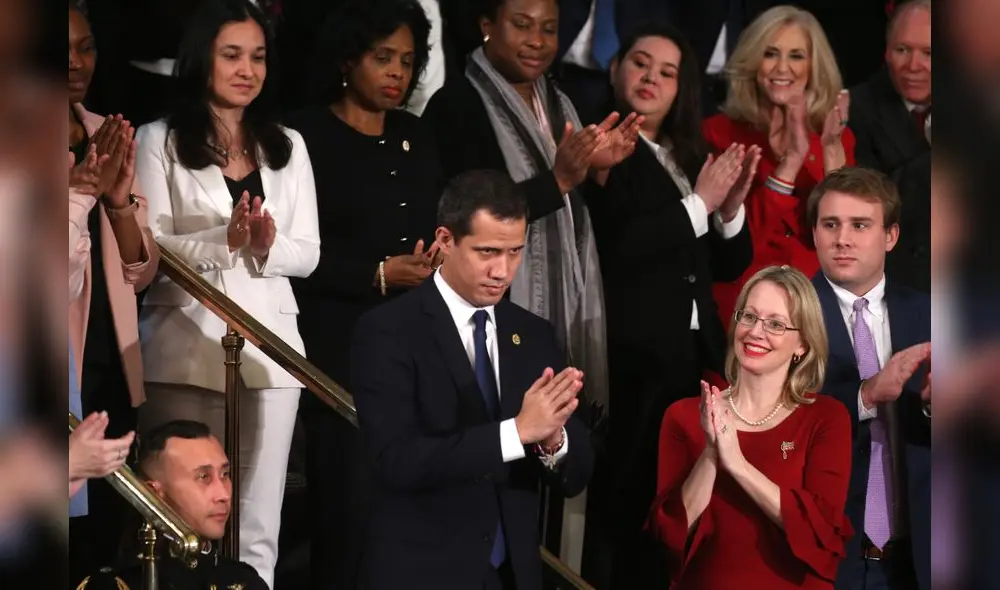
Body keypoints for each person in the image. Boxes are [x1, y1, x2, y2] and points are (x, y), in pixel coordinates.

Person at [134, 1, 320, 585]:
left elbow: (308, 251)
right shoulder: (158, 139)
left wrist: (264, 244)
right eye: (232, 55)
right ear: (201, 60)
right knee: (182, 517)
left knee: (259, 518)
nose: (247, 70)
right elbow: (150, 246)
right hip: (184, 344)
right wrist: (226, 239)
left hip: (272, 351)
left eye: (258, 57)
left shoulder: (288, 144)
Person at [350, 170, 595, 589]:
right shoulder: (389, 330)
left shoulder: (534, 334)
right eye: (487, 252)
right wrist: (516, 432)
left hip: (511, 575)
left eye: (515, 252)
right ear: (445, 240)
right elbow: (396, 461)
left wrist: (553, 441)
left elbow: (577, 473)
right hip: (422, 574)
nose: (503, 271)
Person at [580, 22, 758, 589]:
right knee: (624, 497)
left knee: (673, 498)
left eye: (667, 72)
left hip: (690, 353)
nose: (651, 78)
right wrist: (700, 203)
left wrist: (728, 209)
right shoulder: (601, 147)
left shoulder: (687, 154)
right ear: (615, 69)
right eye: (640, 63)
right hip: (633, 353)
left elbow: (728, 264)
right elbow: (623, 245)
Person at [423, 0, 643, 426]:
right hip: (491, 301)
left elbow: (585, 221)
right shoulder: (454, 106)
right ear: (487, 25)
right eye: (522, 25)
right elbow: (470, 215)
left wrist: (597, 171)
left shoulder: (562, 102)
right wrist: (557, 180)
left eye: (548, 28)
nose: (537, 41)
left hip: (571, 302)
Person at [284, 1, 440, 587]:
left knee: (403, 513)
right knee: (346, 508)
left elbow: (434, 218)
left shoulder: (415, 134)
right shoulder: (302, 135)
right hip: (335, 346)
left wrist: (439, 252)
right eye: (383, 57)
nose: (397, 72)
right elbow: (291, 252)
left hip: (411, 341)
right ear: (348, 60)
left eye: (407, 61)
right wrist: (375, 274)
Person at [649, 264, 853, 588]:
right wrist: (712, 453)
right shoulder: (685, 416)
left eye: (776, 324)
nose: (756, 332)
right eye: (749, 316)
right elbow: (670, 538)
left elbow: (821, 534)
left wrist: (739, 465)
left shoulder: (826, 418)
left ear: (802, 344)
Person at [68, 3, 159, 582]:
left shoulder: (109, 130)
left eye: (87, 47)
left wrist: (119, 200)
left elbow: (140, 272)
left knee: (104, 540)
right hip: (51, 368)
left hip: (113, 364)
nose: (77, 62)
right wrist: (75, 190)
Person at [807, 167, 930, 590]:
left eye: (859, 225)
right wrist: (866, 394)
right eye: (830, 225)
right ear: (814, 234)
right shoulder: (782, 314)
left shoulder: (932, 315)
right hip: (828, 556)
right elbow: (773, 416)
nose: (842, 239)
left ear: (890, 236)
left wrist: (936, 405)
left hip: (920, 558)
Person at [703, 5, 856, 331]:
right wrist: (791, 163)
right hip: (744, 304)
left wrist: (831, 150)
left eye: (796, 56)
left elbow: (842, 236)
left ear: (814, 66)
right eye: (770, 53)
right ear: (753, 60)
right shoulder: (719, 133)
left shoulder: (836, 138)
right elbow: (735, 244)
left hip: (815, 303)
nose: (782, 67)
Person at [75, 420, 268, 589]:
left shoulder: (245, 581)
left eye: (224, 475)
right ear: (152, 493)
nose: (223, 495)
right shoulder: (117, 584)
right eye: (203, 477)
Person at [848, 0, 931, 293]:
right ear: (886, 53)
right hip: (897, 284)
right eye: (902, 50)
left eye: (929, 53)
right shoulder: (855, 108)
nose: (913, 65)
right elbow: (872, 204)